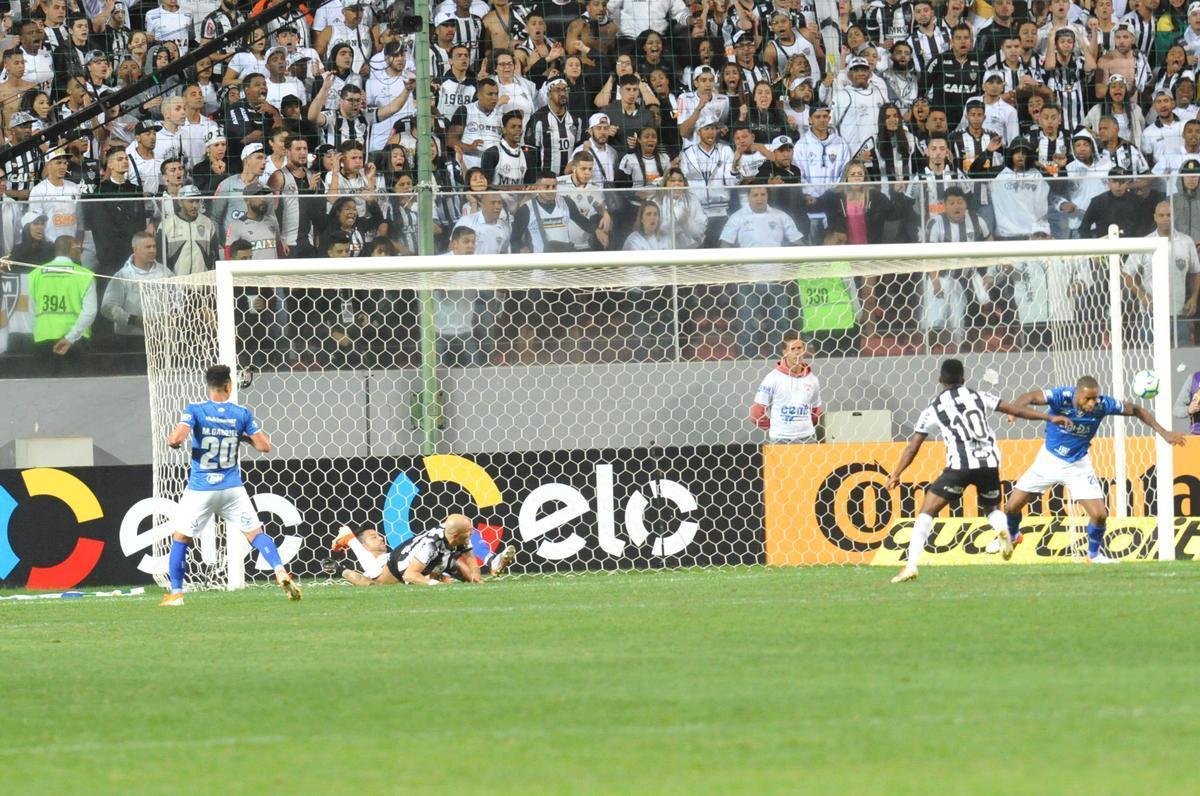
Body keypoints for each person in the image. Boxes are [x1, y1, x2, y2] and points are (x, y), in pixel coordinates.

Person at [886, 358, 1072, 584]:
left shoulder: (933, 408)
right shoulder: (979, 396)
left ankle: (911, 565)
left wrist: (896, 473)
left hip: (959, 467)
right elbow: (1015, 410)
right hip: (989, 464)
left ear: (940, 381)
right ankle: (1005, 530)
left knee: (927, 511)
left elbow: (912, 447)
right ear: (963, 379)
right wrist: (1049, 417)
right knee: (992, 508)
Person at [1000, 376, 1187, 565]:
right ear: (1076, 394)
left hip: (1078, 464)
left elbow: (1137, 409)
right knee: (1011, 507)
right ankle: (1014, 535)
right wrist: (1014, 411)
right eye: (1087, 399)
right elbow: (1030, 396)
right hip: (1048, 460)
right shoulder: (1061, 396)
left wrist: (1165, 433)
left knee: (1099, 515)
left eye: (1095, 398)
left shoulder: (1104, 405)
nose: (1092, 403)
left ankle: (1093, 555)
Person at [162, 364, 301, 606]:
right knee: (255, 534)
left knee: (181, 538)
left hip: (201, 488)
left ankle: (176, 594)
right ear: (229, 385)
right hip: (232, 488)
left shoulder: (195, 410)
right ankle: (280, 570)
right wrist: (240, 436)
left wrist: (174, 441)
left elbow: (177, 439)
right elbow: (264, 447)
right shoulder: (241, 413)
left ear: (209, 386)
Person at [327, 517, 517, 585]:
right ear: (364, 546)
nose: (380, 537)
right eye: (373, 537)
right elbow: (368, 580)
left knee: (461, 528)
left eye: (379, 534)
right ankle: (349, 539)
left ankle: (492, 560)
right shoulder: (373, 569)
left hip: (420, 562)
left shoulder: (398, 555)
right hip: (405, 568)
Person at [28, 235, 95, 373]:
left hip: (43, 340)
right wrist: (70, 338)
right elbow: (90, 312)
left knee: (43, 391)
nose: (80, 251)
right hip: (75, 342)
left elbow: (30, 309)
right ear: (71, 249)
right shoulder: (85, 275)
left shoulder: (34, 274)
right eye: (78, 248)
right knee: (75, 391)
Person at [748, 331, 822, 444]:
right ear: (785, 352)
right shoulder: (772, 378)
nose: (797, 352)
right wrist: (775, 426)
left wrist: (804, 425)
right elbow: (756, 413)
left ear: (804, 350)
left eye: (800, 348)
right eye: (792, 349)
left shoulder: (812, 379)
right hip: (781, 439)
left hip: (807, 438)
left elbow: (816, 411)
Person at [100, 231, 174, 345]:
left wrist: (173, 314)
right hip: (129, 339)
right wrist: (133, 320)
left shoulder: (165, 273)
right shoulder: (122, 276)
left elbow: (178, 297)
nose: (152, 250)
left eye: (154, 246)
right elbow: (107, 307)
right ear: (135, 249)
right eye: (148, 247)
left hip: (161, 338)